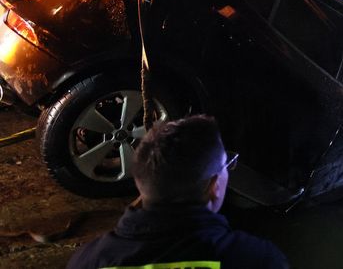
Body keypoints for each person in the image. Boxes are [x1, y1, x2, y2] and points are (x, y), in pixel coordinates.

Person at [67, 115, 289, 269]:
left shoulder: (87, 261)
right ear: (213, 187)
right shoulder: (258, 259)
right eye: (226, 165)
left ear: (140, 183)